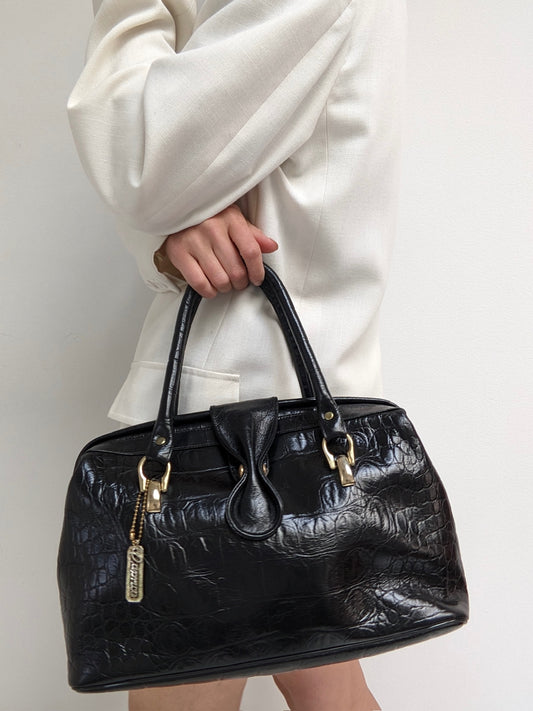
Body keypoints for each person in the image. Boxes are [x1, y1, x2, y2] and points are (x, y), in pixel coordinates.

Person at [67, 0, 406, 709]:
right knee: (333, 690)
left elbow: (143, 158)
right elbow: (170, 181)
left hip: (234, 408)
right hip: (297, 408)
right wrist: (173, 228)